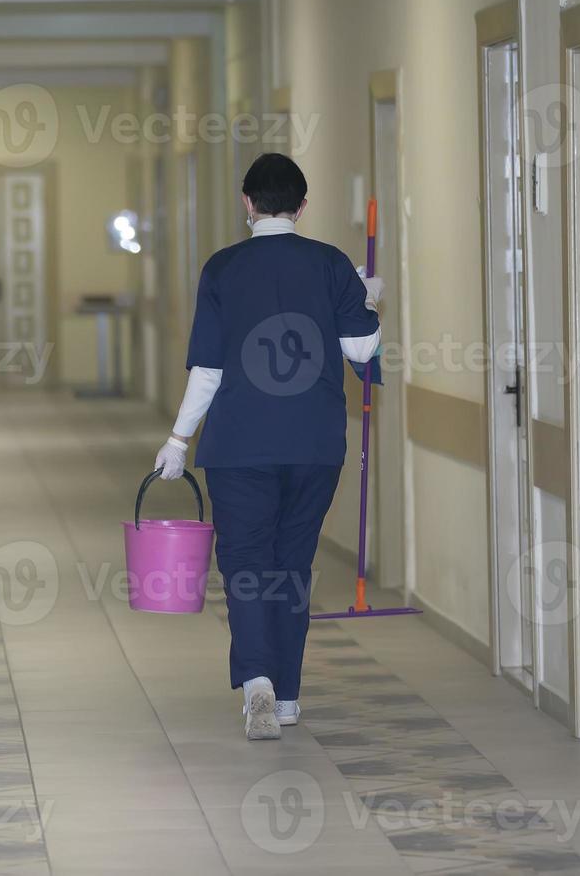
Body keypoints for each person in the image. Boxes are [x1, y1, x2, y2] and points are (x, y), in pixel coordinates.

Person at [154, 153, 382, 741]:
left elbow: (207, 368)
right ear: (302, 206)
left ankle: (255, 680)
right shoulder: (331, 264)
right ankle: (285, 696)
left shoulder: (223, 269)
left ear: (247, 203)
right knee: (292, 565)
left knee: (247, 566)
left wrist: (179, 439)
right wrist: (368, 298)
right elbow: (360, 350)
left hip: (239, 447)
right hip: (314, 444)